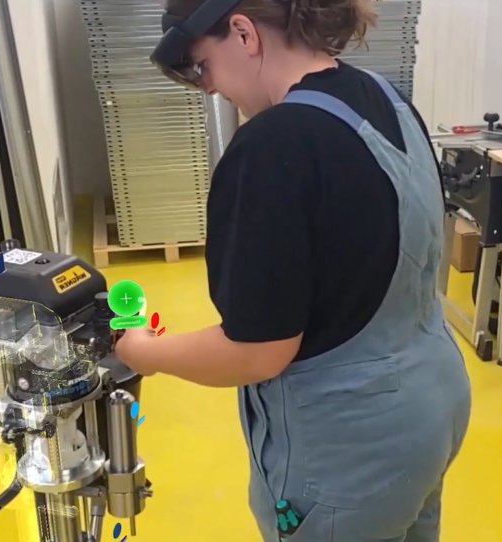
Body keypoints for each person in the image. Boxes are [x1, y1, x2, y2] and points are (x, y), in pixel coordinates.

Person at [115, 0, 471, 540]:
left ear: (243, 33)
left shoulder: (273, 144)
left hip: (350, 452)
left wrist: (143, 352)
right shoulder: (386, 97)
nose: (209, 88)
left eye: (203, 66)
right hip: (432, 407)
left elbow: (258, 351)